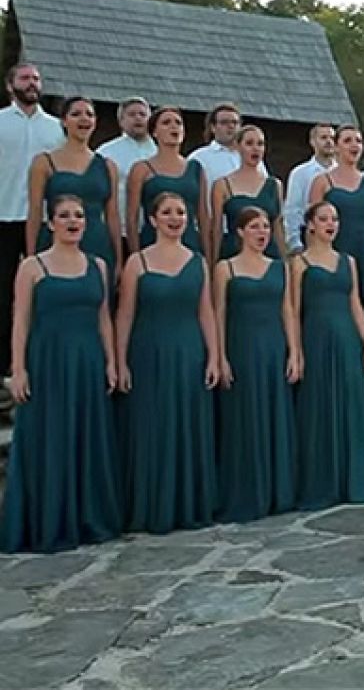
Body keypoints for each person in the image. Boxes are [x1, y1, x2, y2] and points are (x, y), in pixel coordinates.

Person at [2, 195, 120, 553]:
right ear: (50, 223)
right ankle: (49, 519)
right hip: (48, 361)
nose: (73, 221)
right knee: (49, 435)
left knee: (86, 434)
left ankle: (87, 516)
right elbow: (20, 321)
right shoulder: (33, 267)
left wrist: (112, 361)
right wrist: (18, 369)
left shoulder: (97, 265)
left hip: (87, 361)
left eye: (79, 215)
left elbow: (103, 318)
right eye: (64, 216)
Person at [115, 192, 219, 534]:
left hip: (189, 352)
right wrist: (120, 361)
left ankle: (188, 503)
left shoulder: (198, 261)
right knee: (154, 427)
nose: (175, 218)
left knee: (188, 425)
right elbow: (125, 314)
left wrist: (214, 357)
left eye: (181, 212)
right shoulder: (137, 263)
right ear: (153, 219)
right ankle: (153, 505)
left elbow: (206, 312)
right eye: (167, 212)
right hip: (149, 354)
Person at [290, 201, 364, 510]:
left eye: (335, 219)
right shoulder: (299, 263)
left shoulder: (348, 261)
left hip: (346, 338)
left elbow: (356, 302)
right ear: (311, 225)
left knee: (351, 403)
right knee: (319, 405)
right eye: (324, 219)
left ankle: (355, 479)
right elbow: (292, 310)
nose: (331, 224)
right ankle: (323, 480)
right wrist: (296, 350)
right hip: (315, 337)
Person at [212, 206, 299, 523]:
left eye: (265, 227)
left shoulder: (280, 268)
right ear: (239, 232)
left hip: (274, 348)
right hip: (242, 348)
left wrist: (295, 352)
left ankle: (278, 490)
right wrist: (219, 355)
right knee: (245, 416)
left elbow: (287, 311)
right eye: (254, 227)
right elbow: (218, 313)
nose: (262, 233)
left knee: (274, 414)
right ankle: (248, 490)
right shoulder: (226, 269)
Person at [0, 63, 64, 384]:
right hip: (4, 218)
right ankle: (4, 370)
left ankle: (38, 361)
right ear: (11, 86)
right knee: (3, 295)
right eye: (25, 78)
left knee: (44, 292)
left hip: (46, 223)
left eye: (37, 78)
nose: (32, 83)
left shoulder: (55, 129)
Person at [26, 97, 122, 291]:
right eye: (76, 114)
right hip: (56, 242)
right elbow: (35, 212)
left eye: (89, 114)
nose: (83, 119)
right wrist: (31, 256)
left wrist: (119, 258)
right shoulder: (43, 162)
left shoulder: (108, 166)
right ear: (64, 121)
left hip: (97, 243)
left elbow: (112, 215)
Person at [309, 125, 364, 307]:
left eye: (358, 141)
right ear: (336, 147)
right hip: (336, 250)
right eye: (347, 140)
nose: (354, 145)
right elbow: (312, 226)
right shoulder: (322, 182)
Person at [127, 107, 207, 256]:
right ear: (154, 132)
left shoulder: (195, 168)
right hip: (153, 243)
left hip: (189, 244)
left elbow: (203, 218)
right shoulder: (141, 169)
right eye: (166, 122)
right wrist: (136, 255)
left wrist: (208, 257)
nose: (173, 126)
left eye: (178, 123)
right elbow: (132, 218)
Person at [209, 125, 286, 260]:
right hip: (235, 253)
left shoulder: (275, 185)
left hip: (269, 255)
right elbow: (217, 229)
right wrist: (214, 263)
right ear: (238, 147)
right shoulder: (222, 185)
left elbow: (278, 228)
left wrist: (285, 262)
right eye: (249, 143)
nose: (255, 148)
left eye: (260, 144)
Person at [95, 96, 156, 253]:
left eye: (142, 114)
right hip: (119, 231)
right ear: (121, 121)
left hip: (156, 230)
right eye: (132, 114)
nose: (138, 118)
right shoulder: (106, 153)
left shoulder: (160, 151)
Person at [188, 103, 267, 207]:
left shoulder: (253, 159)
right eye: (224, 122)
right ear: (213, 127)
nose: (231, 126)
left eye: (235, 122)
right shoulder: (199, 158)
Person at [283, 123, 336, 252]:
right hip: (308, 236)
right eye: (323, 138)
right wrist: (295, 242)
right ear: (313, 141)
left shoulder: (341, 173)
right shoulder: (300, 173)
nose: (329, 142)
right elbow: (292, 209)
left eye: (332, 138)